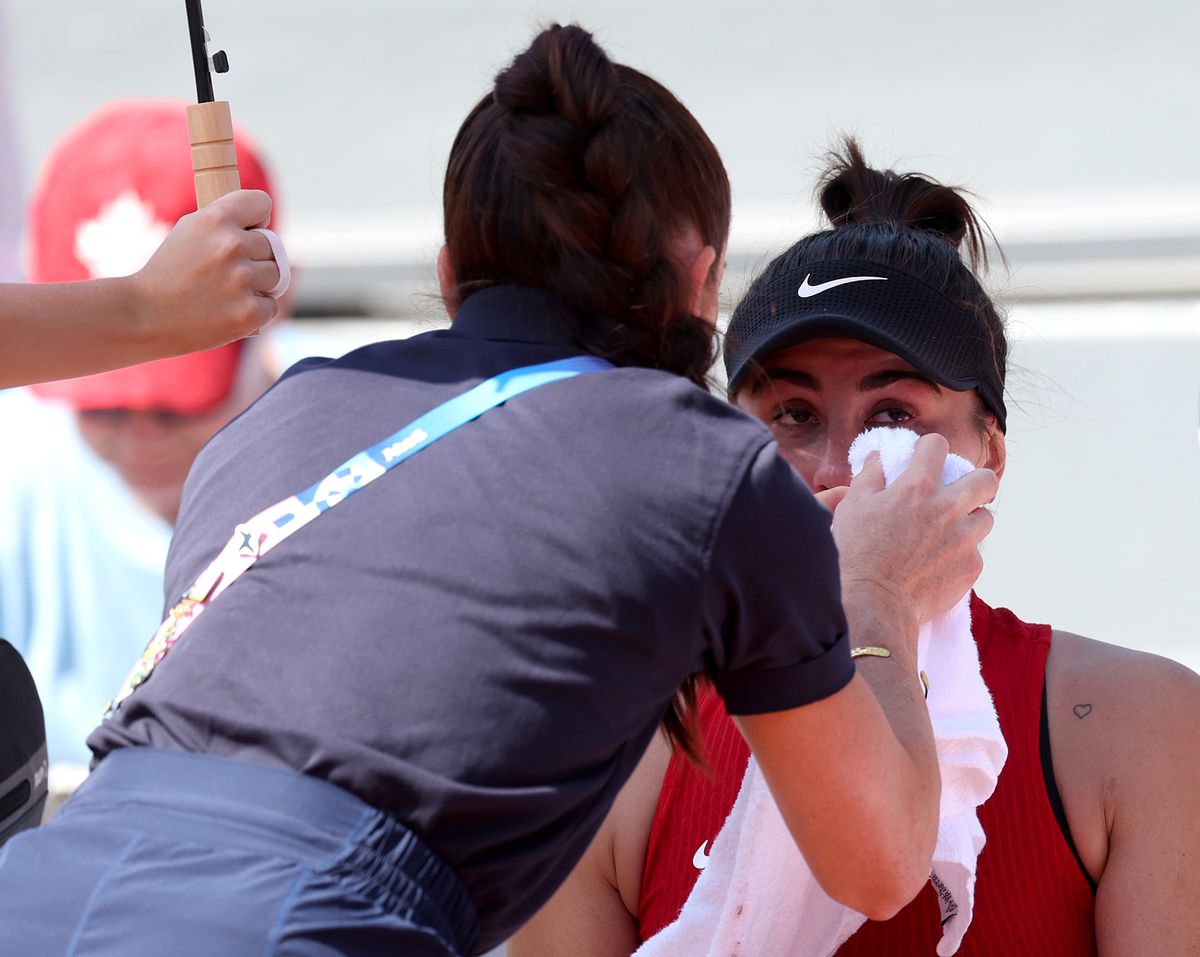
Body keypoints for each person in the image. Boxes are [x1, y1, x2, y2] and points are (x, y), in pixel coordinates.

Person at [0, 29, 997, 957]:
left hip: (37, 890)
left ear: (449, 277)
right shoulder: (704, 465)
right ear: (698, 283)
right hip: (305, 922)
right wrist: (875, 589)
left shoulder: (282, 416)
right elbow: (875, 865)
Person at [510, 143, 1200, 957]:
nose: (840, 468)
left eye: (894, 416)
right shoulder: (619, 749)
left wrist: (872, 596)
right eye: (793, 414)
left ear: (990, 457)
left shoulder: (1137, 726)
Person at [0, 100, 298, 774]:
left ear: (277, 295)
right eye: (101, 408)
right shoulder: (15, 473)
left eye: (173, 404)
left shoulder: (340, 447)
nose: (138, 431)